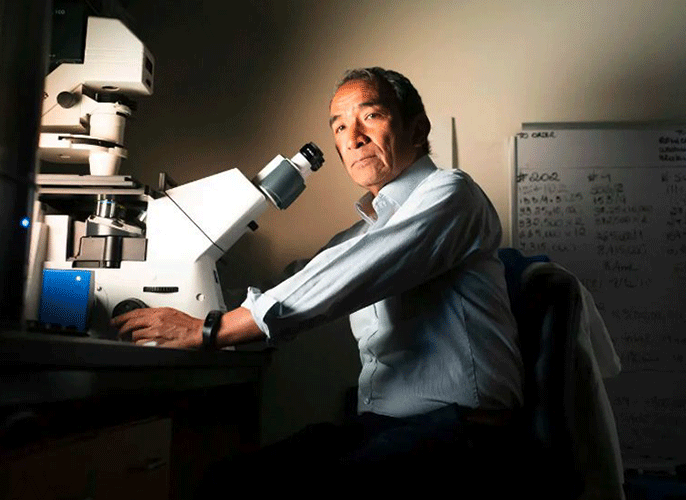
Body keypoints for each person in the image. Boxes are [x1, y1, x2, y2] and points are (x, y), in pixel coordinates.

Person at [112, 67, 524, 479]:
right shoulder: (366, 231)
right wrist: (188, 307)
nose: (353, 137)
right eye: (340, 126)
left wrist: (210, 330)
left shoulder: (451, 194)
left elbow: (344, 275)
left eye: (371, 116)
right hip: (384, 425)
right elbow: (300, 278)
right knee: (227, 479)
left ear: (418, 129)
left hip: (462, 433)